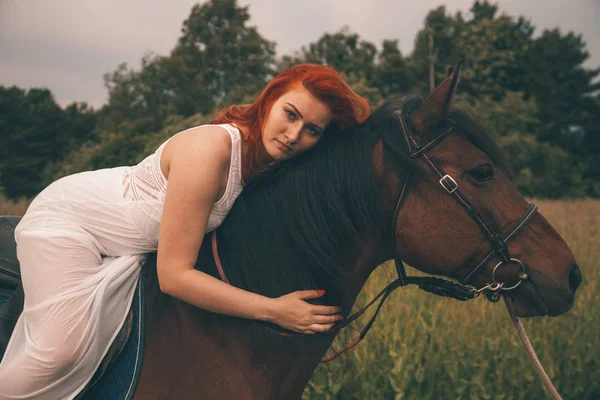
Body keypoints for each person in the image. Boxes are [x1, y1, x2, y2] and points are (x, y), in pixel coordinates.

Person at [0, 64, 370, 399]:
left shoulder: (268, 165)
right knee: (62, 350)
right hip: (70, 221)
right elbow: (174, 276)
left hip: (128, 245)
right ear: (271, 98)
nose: (293, 135)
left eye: (312, 130)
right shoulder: (210, 152)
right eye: (291, 114)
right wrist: (273, 310)